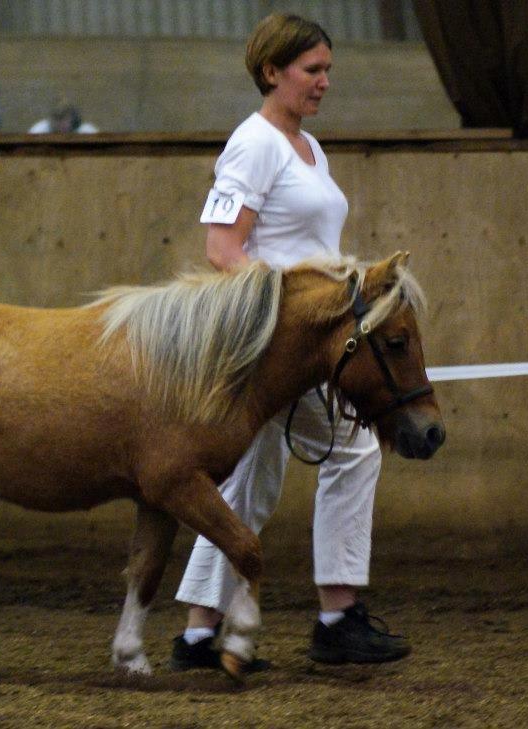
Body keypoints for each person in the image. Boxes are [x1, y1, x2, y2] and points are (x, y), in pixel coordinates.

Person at [169, 13, 410, 671]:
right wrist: (295, 309)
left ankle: (197, 636)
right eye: (312, 70)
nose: (324, 82)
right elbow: (223, 248)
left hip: (309, 342)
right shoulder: (255, 144)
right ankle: (336, 617)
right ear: (272, 72)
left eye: (328, 70)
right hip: (273, 341)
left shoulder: (307, 147)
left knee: (251, 478)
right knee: (353, 448)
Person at [28, 104, 98, 134]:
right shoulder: (39, 130)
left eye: (65, 119)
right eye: (57, 119)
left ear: (73, 119)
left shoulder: (87, 131)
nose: (61, 123)